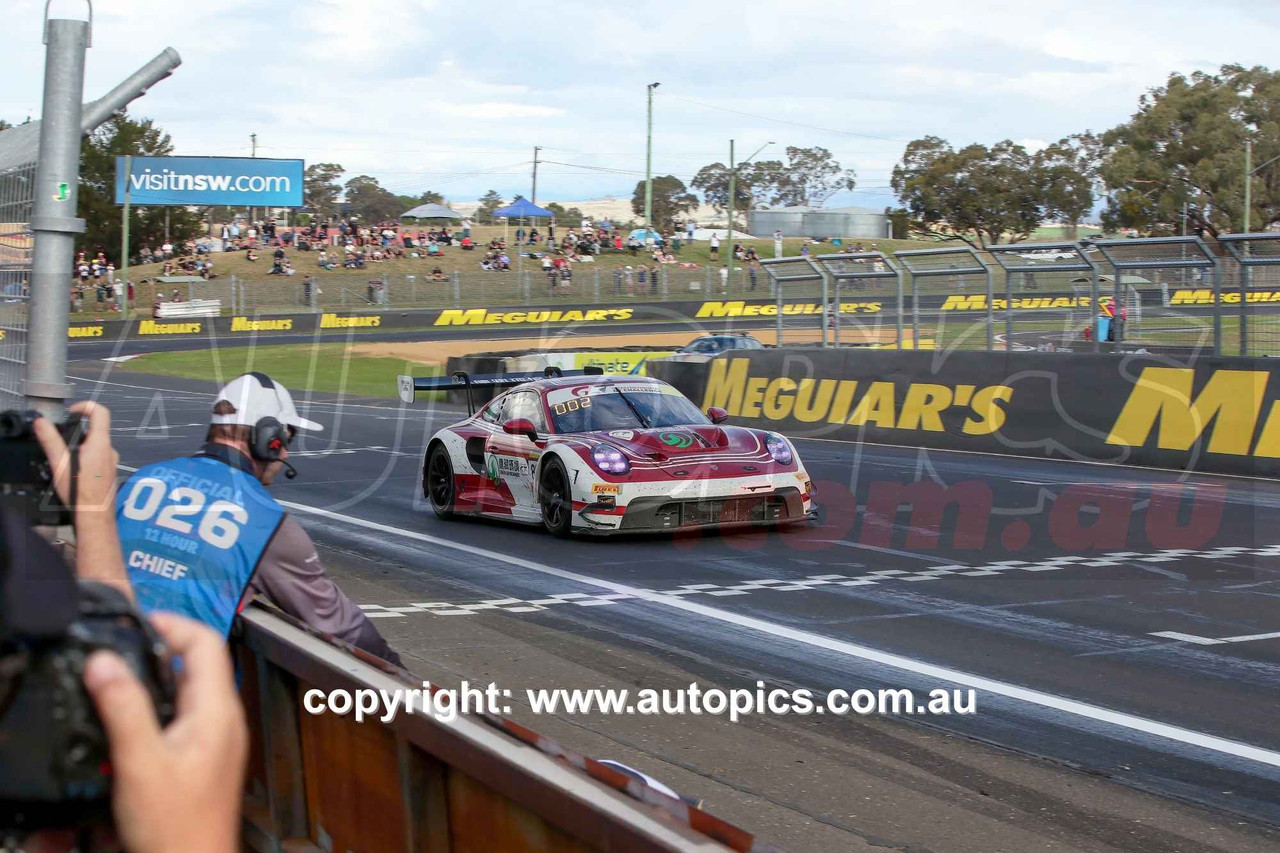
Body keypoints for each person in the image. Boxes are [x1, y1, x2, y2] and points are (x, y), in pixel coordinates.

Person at [115, 373, 403, 665]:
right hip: (168, 688)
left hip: (94, 660)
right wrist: (405, 678)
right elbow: (342, 626)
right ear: (270, 440)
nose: (287, 452)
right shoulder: (267, 523)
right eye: (287, 439)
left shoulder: (138, 481)